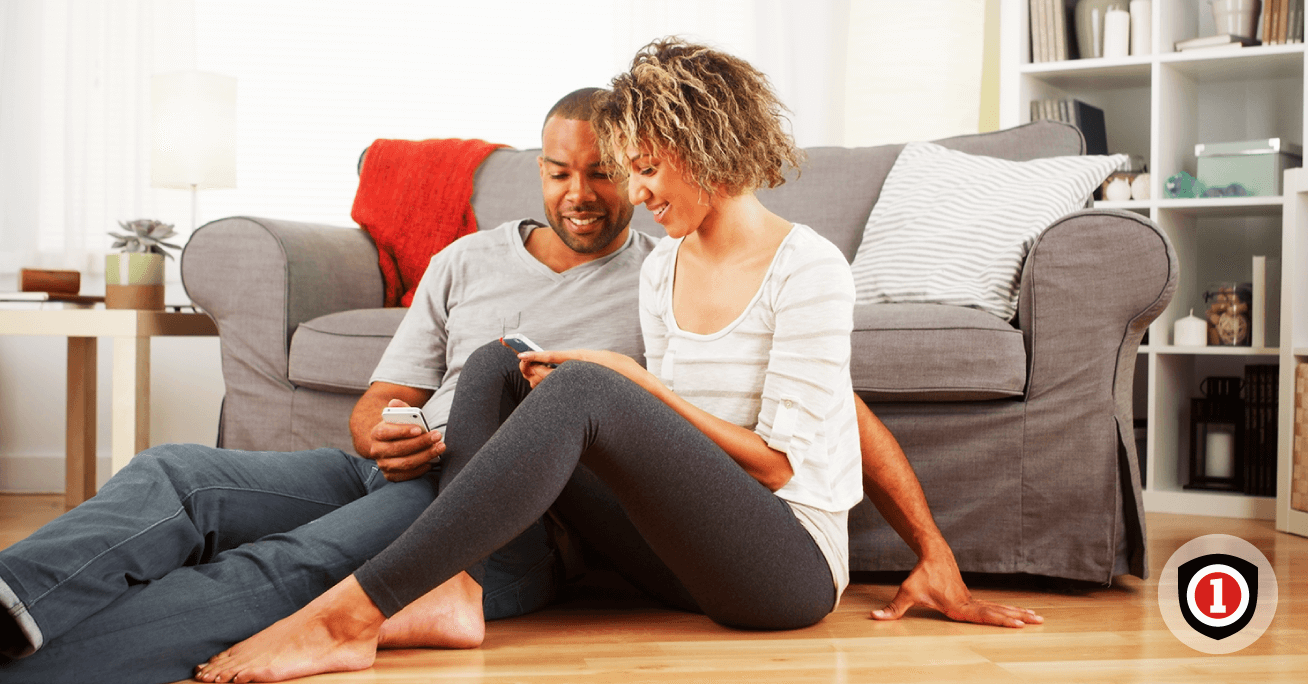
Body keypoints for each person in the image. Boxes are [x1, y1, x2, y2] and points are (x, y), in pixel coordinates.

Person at [193, 38, 1039, 684]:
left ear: (702, 145)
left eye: (644, 168)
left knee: (595, 382)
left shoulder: (808, 266)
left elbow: (786, 464)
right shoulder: (665, 264)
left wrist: (631, 385)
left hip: (781, 573)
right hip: (677, 559)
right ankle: (457, 589)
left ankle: (351, 615)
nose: (634, 195)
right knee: (502, 363)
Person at [0, 87, 653, 684]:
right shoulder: (467, 259)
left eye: (600, 172)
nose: (579, 194)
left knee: (294, 561)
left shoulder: (660, 280)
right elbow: (380, 402)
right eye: (560, 171)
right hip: (401, 470)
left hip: (502, 527)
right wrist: (385, 434)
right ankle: (15, 599)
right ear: (540, 168)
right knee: (175, 474)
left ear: (635, 170)